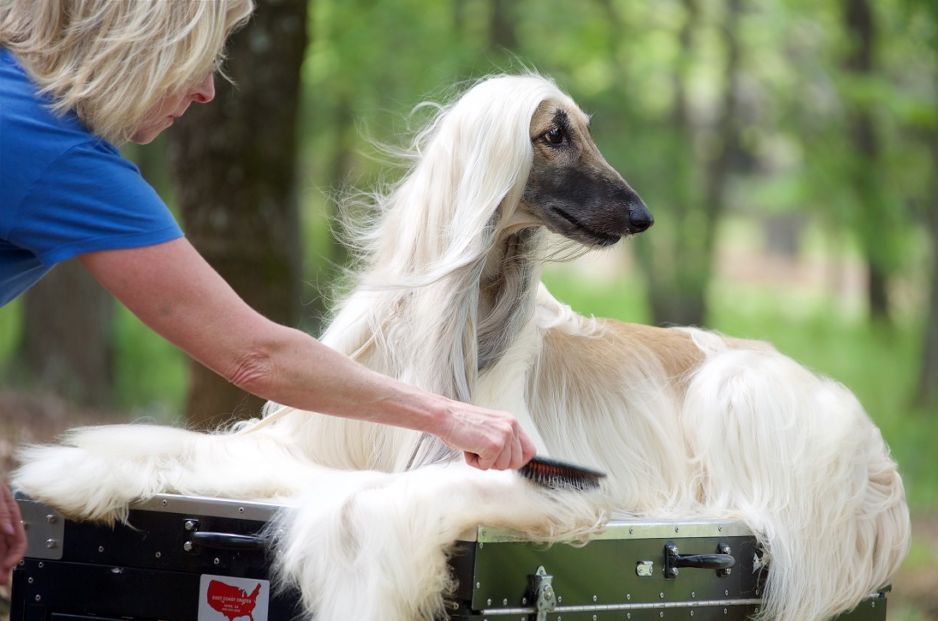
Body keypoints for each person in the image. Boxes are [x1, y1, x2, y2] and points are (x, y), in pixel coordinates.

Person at [0, 0, 537, 579]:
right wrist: (448, 416)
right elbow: (256, 356)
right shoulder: (62, 159)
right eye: (198, 61)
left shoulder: (17, 95)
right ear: (138, 48)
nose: (207, 91)